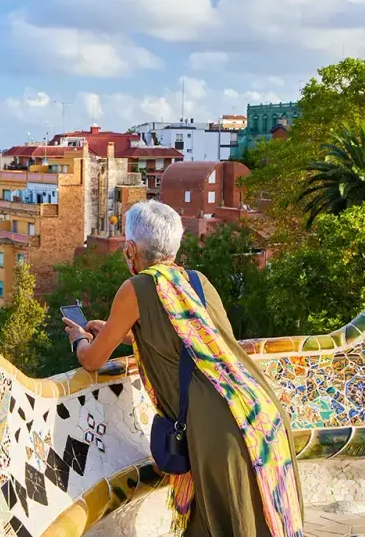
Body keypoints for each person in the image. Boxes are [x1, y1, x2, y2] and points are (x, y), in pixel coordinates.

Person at [62, 200, 304, 537]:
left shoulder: (136, 287)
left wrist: (79, 339)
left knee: (222, 525)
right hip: (259, 412)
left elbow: (92, 361)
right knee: (261, 522)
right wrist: (120, 332)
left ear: (131, 249)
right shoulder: (197, 281)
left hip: (218, 429)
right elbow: (198, 347)